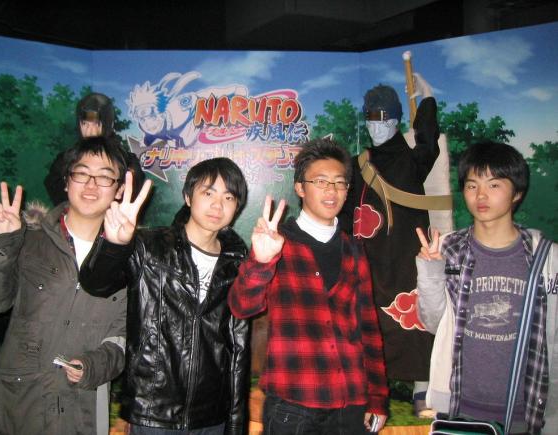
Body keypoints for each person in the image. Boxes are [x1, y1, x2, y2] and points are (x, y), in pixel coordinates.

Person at [78, 157, 250, 435]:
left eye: (228, 197)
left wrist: (235, 422)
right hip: (152, 412)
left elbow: (238, 346)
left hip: (211, 415)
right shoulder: (150, 246)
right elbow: (95, 284)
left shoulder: (237, 262)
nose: (218, 205)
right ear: (188, 197)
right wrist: (114, 245)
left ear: (237, 206)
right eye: (208, 193)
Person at [229, 138, 389, 434]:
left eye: (340, 183)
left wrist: (377, 398)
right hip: (292, 404)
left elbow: (369, 328)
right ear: (300, 188)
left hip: (350, 404)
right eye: (321, 181)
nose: (332, 190)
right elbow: (242, 306)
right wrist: (261, 262)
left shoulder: (354, 249)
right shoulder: (278, 242)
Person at [0, 136, 131, 434]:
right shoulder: (31, 240)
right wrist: (0, 242)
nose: (91, 185)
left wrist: (93, 366)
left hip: (81, 410)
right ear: (66, 181)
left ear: (119, 189)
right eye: (82, 173)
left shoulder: (129, 259)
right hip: (17, 405)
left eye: (104, 177)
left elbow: (123, 340)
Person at [416, 141, 558, 434]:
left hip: (524, 409)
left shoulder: (547, 257)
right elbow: (432, 323)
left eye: (494, 185)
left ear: (517, 192)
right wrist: (430, 270)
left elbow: (553, 337)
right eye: (472, 185)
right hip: (460, 407)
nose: (481, 195)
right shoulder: (448, 249)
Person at [339, 78, 439, 414]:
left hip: (407, 253)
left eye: (384, 119)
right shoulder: (357, 165)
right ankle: (369, 387)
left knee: (416, 315)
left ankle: (422, 387)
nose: (376, 127)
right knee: (367, 319)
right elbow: (344, 212)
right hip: (368, 255)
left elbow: (428, 139)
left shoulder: (412, 160)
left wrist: (427, 99)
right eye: (371, 119)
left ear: (396, 121)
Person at [45, 92, 144, 205]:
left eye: (96, 124)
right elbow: (54, 188)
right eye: (85, 123)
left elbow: (132, 193)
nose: (89, 129)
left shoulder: (127, 162)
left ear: (107, 125)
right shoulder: (66, 159)